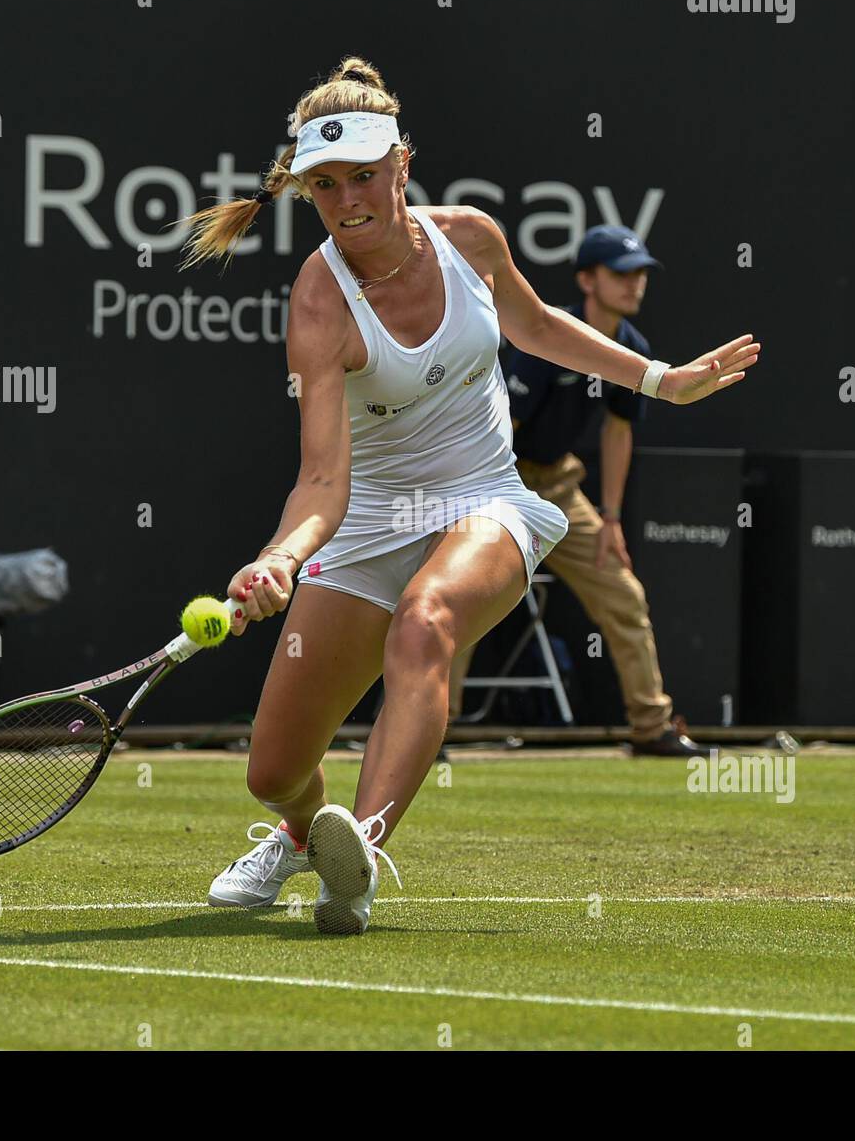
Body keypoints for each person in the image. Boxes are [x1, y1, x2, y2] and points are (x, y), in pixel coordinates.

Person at [178, 57, 758, 935]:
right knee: (271, 772)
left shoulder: (471, 238)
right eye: (324, 186)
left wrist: (658, 379)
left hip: (483, 497)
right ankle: (304, 836)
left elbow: (532, 324)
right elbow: (324, 478)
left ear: (402, 164)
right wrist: (280, 559)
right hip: (367, 518)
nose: (348, 201)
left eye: (364, 176)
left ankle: (360, 853)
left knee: (427, 624)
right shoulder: (317, 303)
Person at [447, 226, 708, 756]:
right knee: (460, 604)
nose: (634, 284)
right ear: (587, 279)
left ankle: (651, 727)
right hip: (499, 477)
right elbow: (504, 424)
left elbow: (618, 428)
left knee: (624, 596)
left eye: (640, 274)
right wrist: (474, 499)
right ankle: (430, 729)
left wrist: (611, 516)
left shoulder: (632, 346)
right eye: (620, 273)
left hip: (560, 487)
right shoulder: (550, 337)